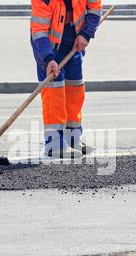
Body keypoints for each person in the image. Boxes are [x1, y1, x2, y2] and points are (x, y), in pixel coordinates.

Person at [31, 0, 102, 158]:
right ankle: (54, 144)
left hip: (73, 42)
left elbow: (95, 9)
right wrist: (48, 59)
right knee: (54, 94)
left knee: (75, 90)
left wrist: (85, 34)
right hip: (49, 48)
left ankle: (73, 139)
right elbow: (39, 32)